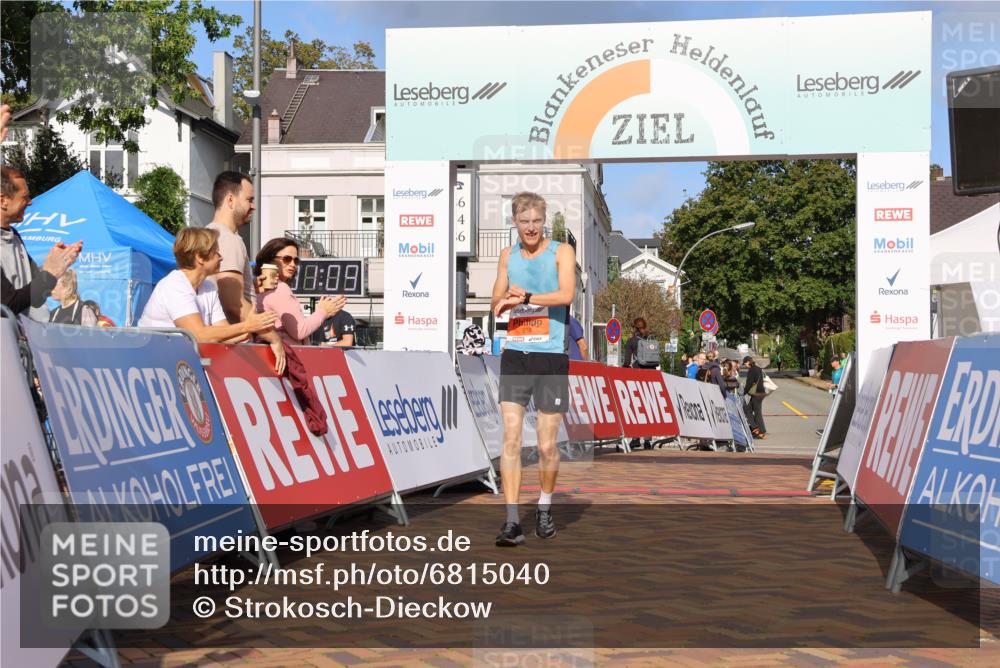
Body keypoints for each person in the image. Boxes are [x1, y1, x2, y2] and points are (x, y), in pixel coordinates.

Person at [491, 192, 575, 547]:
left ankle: (543, 506)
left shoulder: (561, 252)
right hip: (516, 355)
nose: (530, 228)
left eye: (536, 222)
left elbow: (566, 295)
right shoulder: (507, 256)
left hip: (551, 356)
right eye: (524, 221)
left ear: (544, 223)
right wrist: (506, 299)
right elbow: (495, 307)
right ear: (515, 222)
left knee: (545, 446)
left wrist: (526, 298)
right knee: (510, 439)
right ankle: (511, 520)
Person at [139, 228, 283, 373]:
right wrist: (247, 326)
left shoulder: (207, 286)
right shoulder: (175, 285)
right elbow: (198, 335)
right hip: (154, 366)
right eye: (216, 252)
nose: (221, 257)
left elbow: (224, 334)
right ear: (200, 257)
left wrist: (254, 330)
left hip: (175, 364)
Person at [1, 165, 82, 320]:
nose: (30, 202)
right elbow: (6, 305)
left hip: (25, 340)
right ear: (3, 200)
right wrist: (49, 274)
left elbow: (36, 297)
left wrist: (57, 263)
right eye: (25, 197)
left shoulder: (15, 236)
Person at [253, 238, 346, 345]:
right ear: (270, 260)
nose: (293, 264)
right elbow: (299, 331)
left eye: (296, 260)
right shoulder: (280, 288)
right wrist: (323, 311)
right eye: (287, 259)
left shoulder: (255, 288)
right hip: (286, 356)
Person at [742, 355, 768, 440]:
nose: (745, 365)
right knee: (747, 409)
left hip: (756, 394)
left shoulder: (751, 370)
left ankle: (761, 431)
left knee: (757, 413)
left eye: (745, 363)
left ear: (748, 362)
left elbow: (749, 384)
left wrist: (743, 392)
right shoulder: (758, 368)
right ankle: (756, 428)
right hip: (761, 393)